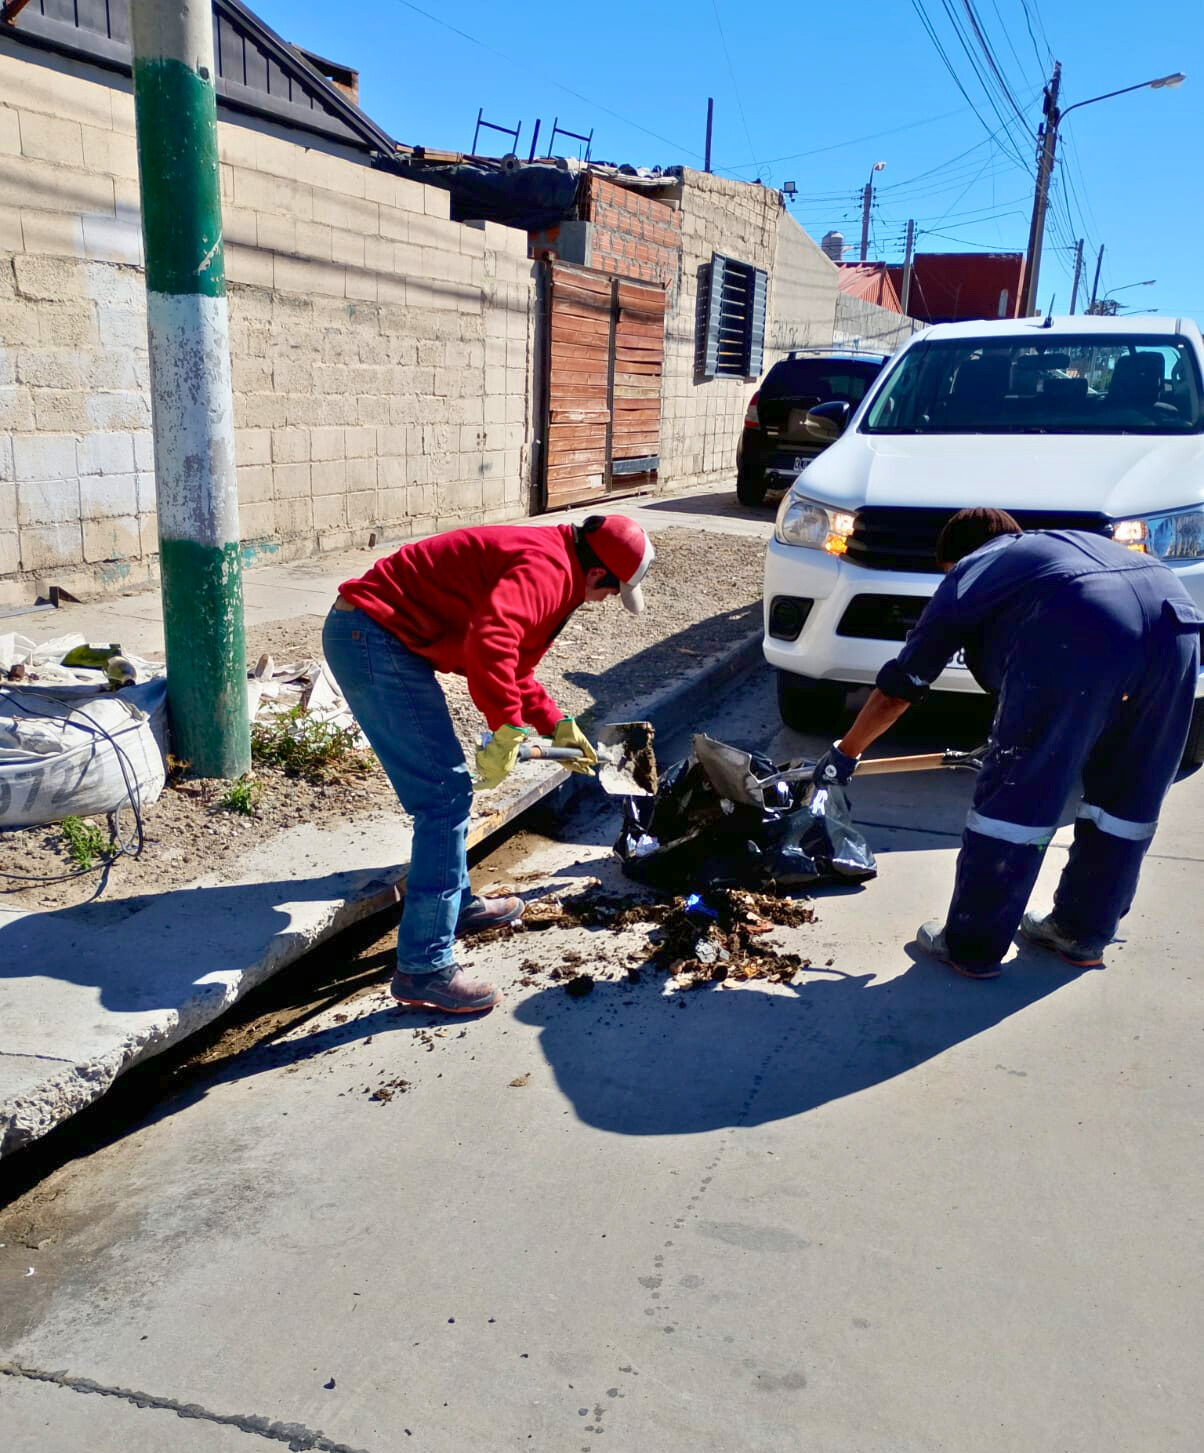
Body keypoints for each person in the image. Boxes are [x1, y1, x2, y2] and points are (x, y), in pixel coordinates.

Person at [811, 507, 1202, 980]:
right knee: (1128, 793)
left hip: (1083, 623)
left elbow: (901, 688)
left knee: (1018, 794)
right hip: (1176, 626)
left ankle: (972, 945)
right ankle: (1082, 932)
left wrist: (846, 751)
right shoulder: (1053, 551)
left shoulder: (972, 572)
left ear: (953, 560)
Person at [323, 515, 655, 1013]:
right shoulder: (547, 568)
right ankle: (424, 967)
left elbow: (515, 665)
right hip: (372, 635)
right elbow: (491, 643)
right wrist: (506, 728)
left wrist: (558, 726)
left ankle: (453, 907)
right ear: (597, 573)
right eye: (611, 590)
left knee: (448, 794)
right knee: (443, 796)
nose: (606, 600)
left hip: (381, 635)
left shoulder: (558, 561)